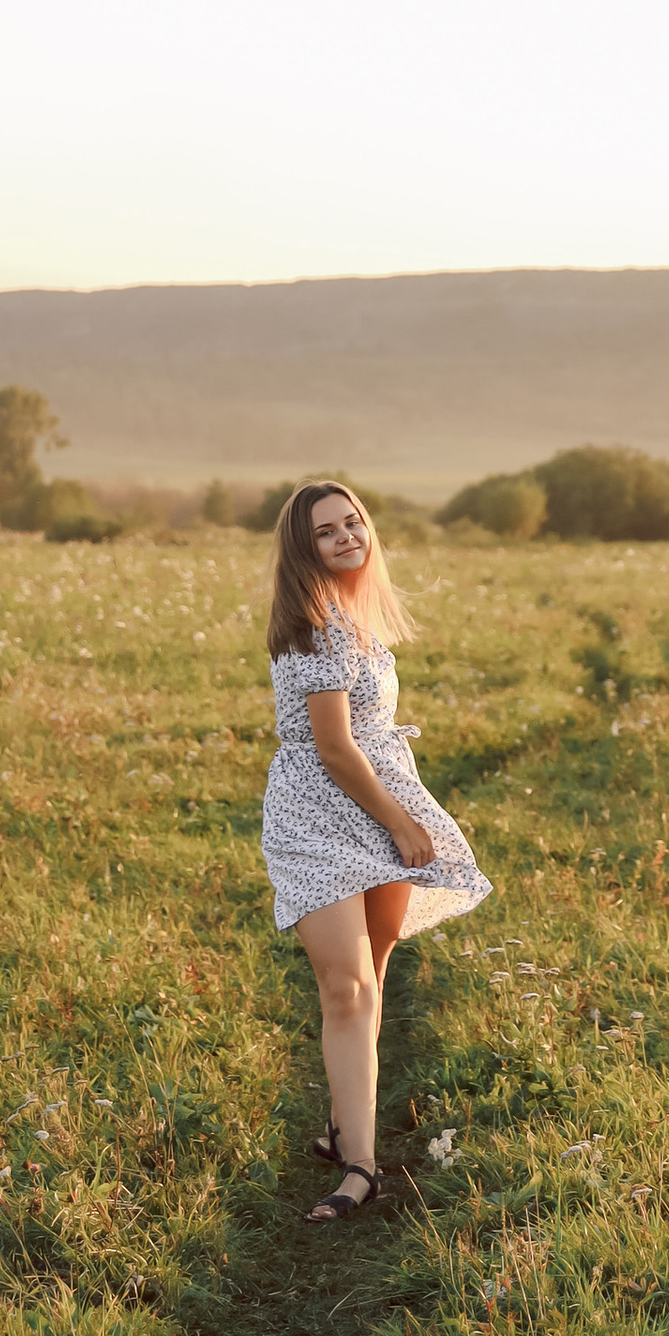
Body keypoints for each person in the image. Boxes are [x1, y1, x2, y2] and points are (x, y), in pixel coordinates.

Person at [261, 479, 491, 1219]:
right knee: (346, 989)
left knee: (376, 971)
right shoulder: (310, 626)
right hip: (321, 812)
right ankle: (360, 1168)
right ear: (305, 548)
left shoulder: (359, 622)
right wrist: (399, 821)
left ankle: (342, 1130)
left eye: (353, 523)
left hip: (378, 798)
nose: (346, 537)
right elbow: (332, 747)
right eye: (327, 531)